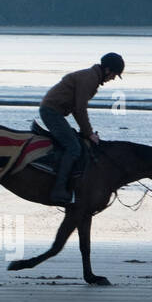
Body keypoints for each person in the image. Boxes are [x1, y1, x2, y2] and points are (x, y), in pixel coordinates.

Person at [38, 52, 124, 204]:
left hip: (55, 112)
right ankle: (59, 189)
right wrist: (89, 133)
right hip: (51, 112)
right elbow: (80, 109)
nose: (113, 79)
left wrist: (86, 133)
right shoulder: (89, 79)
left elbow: (77, 109)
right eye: (114, 75)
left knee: (77, 142)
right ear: (107, 70)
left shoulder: (91, 77)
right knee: (73, 148)